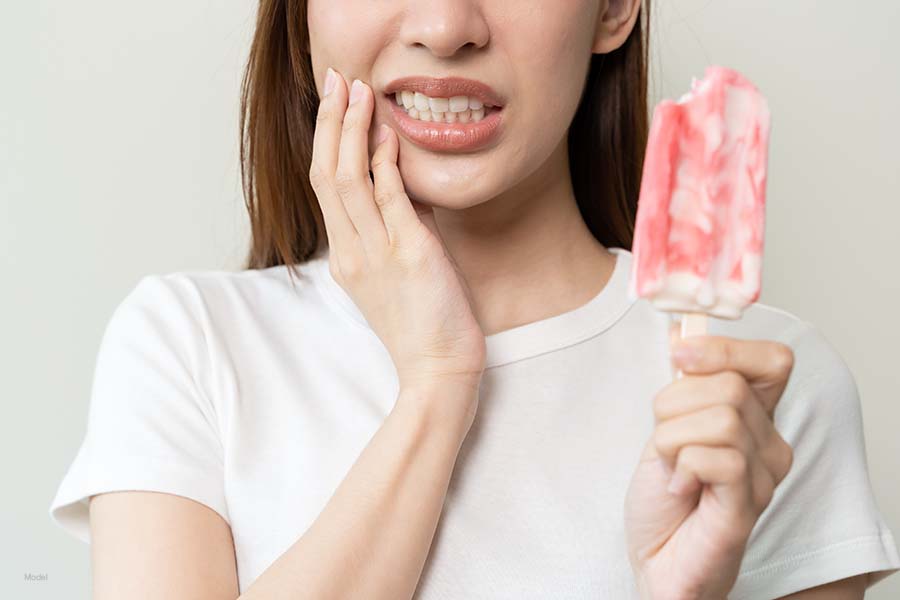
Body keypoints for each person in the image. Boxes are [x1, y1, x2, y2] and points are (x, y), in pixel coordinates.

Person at [49, 0, 899, 598]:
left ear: (613, 7)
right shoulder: (188, 347)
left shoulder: (759, 390)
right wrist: (436, 383)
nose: (447, 27)